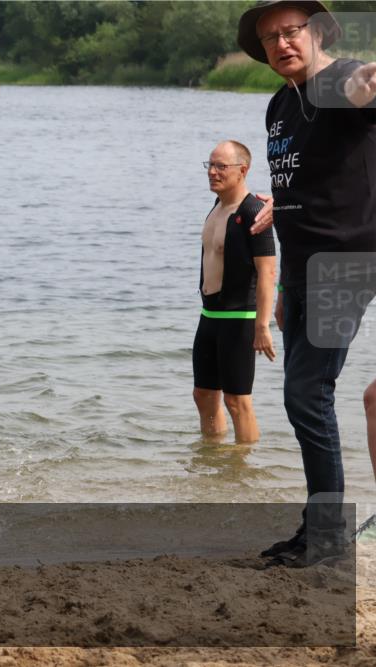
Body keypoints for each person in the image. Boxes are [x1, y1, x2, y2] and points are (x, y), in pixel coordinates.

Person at [236, 0, 376, 566]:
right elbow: (306, 175)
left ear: (316, 33)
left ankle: (324, 535)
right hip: (303, 267)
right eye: (270, 38)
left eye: (291, 31)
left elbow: (364, 87)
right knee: (307, 397)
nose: (281, 44)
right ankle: (320, 528)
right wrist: (280, 205)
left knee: (305, 395)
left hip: (347, 259)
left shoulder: (341, 79)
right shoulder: (278, 106)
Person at [193, 141, 277, 444]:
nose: (213, 172)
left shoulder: (255, 211)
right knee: (203, 395)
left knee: (237, 402)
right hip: (209, 316)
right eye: (210, 165)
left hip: (239, 317)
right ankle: (214, 461)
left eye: (221, 167)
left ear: (243, 170)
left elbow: (268, 271)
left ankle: (244, 471)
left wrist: (262, 326)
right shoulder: (216, 207)